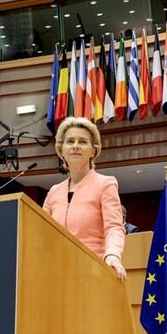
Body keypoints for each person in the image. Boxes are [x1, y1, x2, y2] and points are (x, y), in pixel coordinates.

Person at [43, 117, 127, 280]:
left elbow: (114, 228)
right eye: (70, 141)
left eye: (82, 142)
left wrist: (113, 255)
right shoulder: (54, 192)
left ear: (93, 151)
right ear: (61, 150)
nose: (75, 146)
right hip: (56, 274)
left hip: (93, 272)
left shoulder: (105, 184)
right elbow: (41, 233)